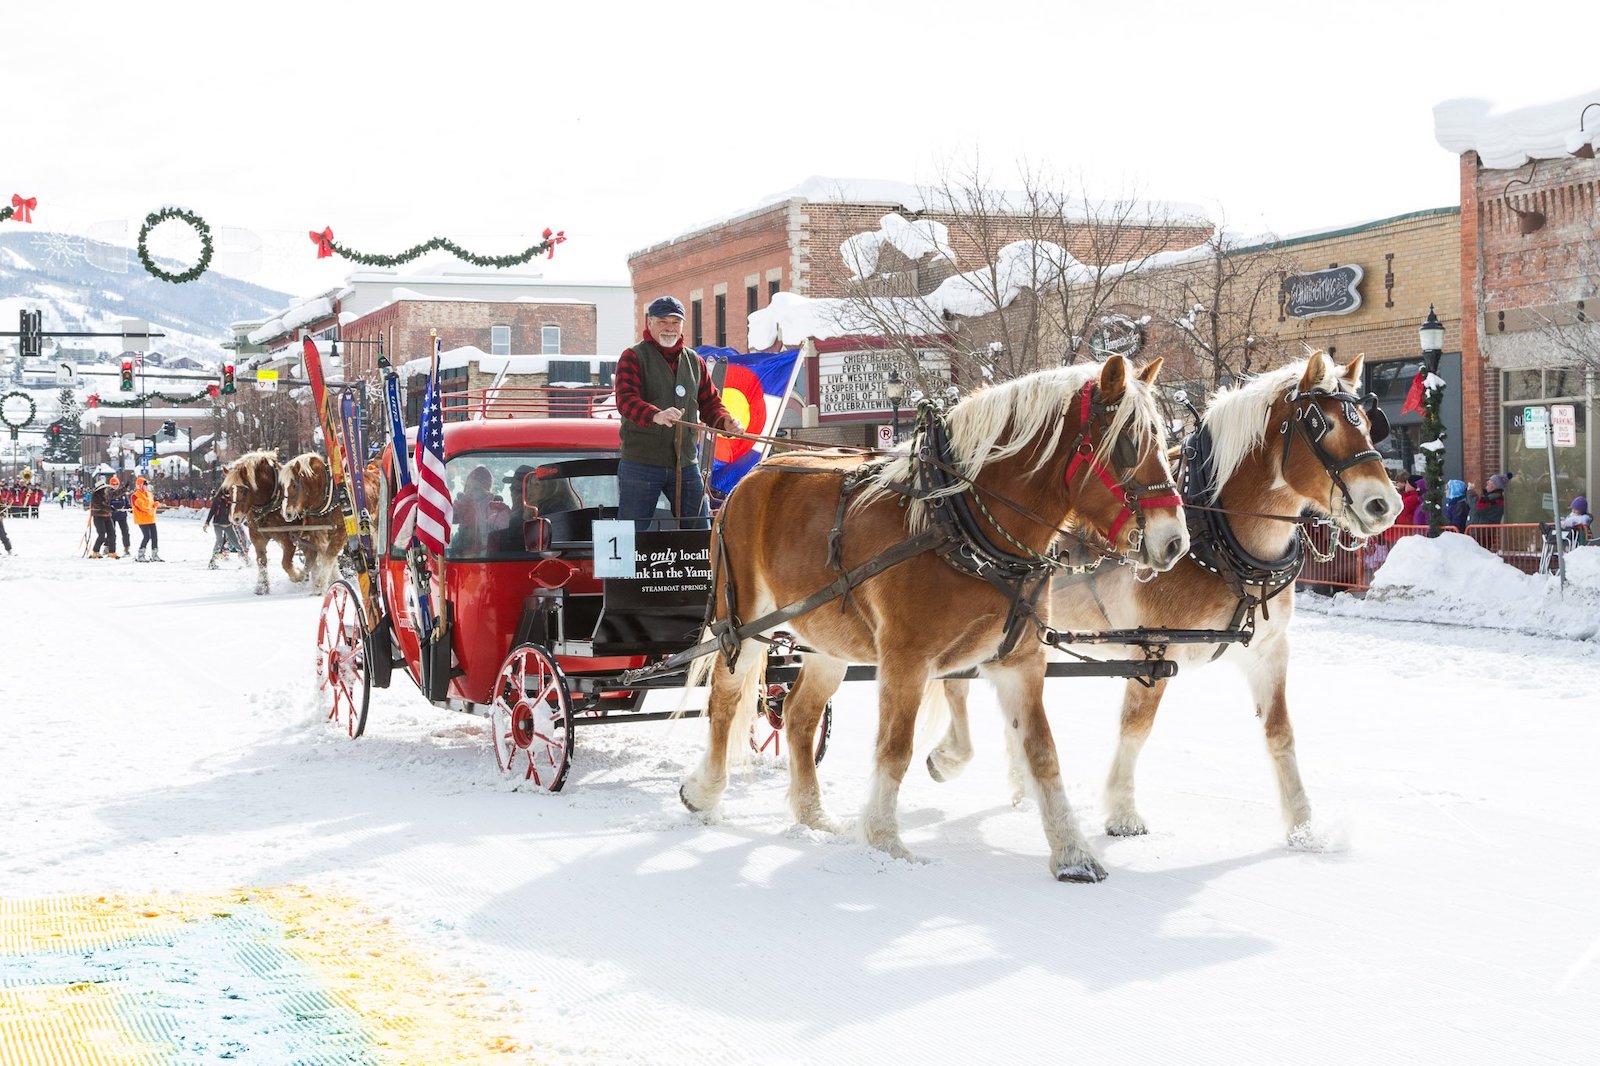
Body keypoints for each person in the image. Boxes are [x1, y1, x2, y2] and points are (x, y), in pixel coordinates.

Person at [614, 295, 742, 529]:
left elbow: (711, 404)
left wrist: (725, 422)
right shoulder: (632, 357)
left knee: (700, 534)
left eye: (675, 322)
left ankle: (699, 568)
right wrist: (656, 415)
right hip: (641, 464)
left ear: (682, 326)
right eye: (663, 321)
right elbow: (625, 400)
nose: (669, 328)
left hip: (685, 464)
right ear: (649, 323)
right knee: (630, 537)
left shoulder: (695, 361)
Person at [202, 486, 245, 569]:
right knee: (219, 541)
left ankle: (244, 560)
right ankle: (213, 562)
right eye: (227, 492)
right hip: (218, 524)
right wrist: (207, 522)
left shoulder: (232, 500)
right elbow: (212, 511)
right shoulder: (218, 500)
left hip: (228, 524)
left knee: (236, 542)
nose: (229, 494)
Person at [131, 476, 162, 561]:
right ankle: (141, 555)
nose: (146, 486)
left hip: (151, 518)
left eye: (147, 484)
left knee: (154, 537)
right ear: (140, 485)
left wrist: (155, 504)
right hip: (142, 520)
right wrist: (151, 508)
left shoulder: (149, 494)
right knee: (147, 536)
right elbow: (141, 507)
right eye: (145, 485)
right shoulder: (135, 496)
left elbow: (150, 504)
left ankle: (155, 555)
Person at [88, 476, 117, 558]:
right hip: (98, 517)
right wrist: (110, 508)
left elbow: (115, 494)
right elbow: (101, 506)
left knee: (112, 534)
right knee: (102, 535)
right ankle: (95, 551)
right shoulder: (95, 496)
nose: (105, 489)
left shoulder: (106, 494)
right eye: (103, 488)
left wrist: (124, 488)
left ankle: (112, 552)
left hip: (107, 516)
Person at [110, 476, 133, 558]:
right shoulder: (109, 493)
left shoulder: (122, 493)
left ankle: (127, 548)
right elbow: (106, 503)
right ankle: (109, 548)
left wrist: (130, 508)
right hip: (112, 516)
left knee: (125, 532)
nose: (115, 485)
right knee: (111, 533)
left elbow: (127, 503)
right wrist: (111, 508)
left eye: (116, 484)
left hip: (122, 516)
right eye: (113, 484)